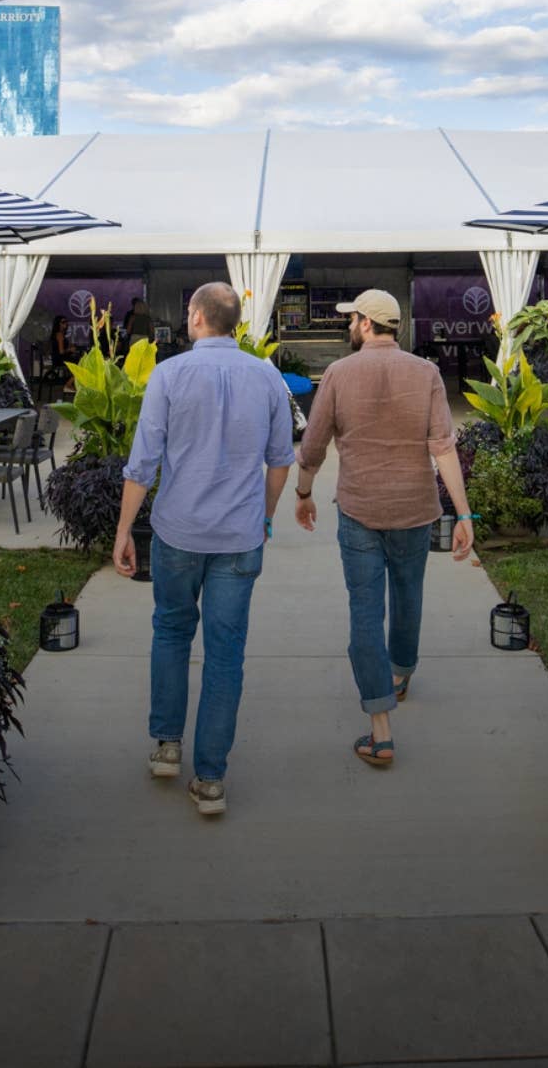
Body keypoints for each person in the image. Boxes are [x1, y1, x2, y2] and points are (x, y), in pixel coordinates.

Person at [113, 282, 294, 817]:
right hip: (239, 537)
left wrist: (124, 530)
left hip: (177, 533)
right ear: (234, 322)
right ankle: (211, 778)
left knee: (170, 630)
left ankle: (168, 746)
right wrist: (264, 515)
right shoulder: (266, 375)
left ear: (195, 317)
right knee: (226, 653)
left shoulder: (168, 374)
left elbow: (143, 464)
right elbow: (281, 459)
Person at [293, 289, 473, 769]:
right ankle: (400, 672)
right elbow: (443, 447)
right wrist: (464, 514)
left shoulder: (338, 373)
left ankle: (380, 727)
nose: (348, 325)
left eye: (352, 318)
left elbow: (312, 446)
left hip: (359, 511)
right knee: (408, 594)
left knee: (365, 612)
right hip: (416, 509)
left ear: (368, 323)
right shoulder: (427, 373)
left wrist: (304, 493)